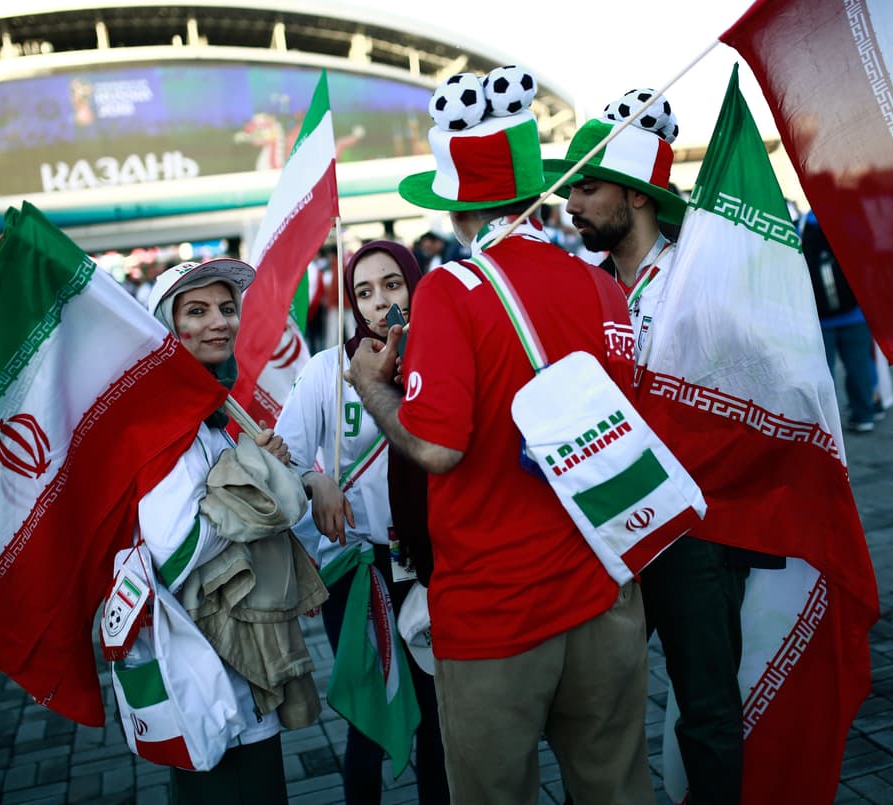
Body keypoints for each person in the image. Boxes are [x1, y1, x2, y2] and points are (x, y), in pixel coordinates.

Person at [347, 67, 652, 804]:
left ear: (456, 205)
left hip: (497, 616)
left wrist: (372, 388)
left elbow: (438, 448)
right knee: (617, 789)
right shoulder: (602, 282)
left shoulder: (452, 290)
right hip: (606, 595)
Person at [546, 90, 762, 804]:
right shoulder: (584, 289)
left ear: (637, 196)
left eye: (587, 185)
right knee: (595, 711)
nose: (572, 202)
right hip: (610, 531)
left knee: (707, 706)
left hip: (699, 530)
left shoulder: (701, 277)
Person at [140, 258, 326, 803]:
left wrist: (272, 470)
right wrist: (254, 480)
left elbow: (247, 504)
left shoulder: (214, 412)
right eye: (195, 311)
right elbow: (174, 548)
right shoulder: (162, 421)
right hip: (208, 661)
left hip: (245, 654)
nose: (218, 321)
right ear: (166, 329)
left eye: (226, 308)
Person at [275, 239, 449, 804]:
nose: (379, 303)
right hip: (357, 572)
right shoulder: (328, 371)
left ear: (416, 287)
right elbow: (281, 458)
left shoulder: (443, 363)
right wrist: (313, 480)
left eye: (393, 285)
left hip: (434, 568)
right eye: (364, 292)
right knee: (368, 721)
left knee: (437, 715)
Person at [800, 211, 879, 432]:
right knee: (859, 367)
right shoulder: (850, 219)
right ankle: (864, 415)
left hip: (819, 319)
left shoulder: (803, 224)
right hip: (855, 313)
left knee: (823, 373)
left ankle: (826, 424)